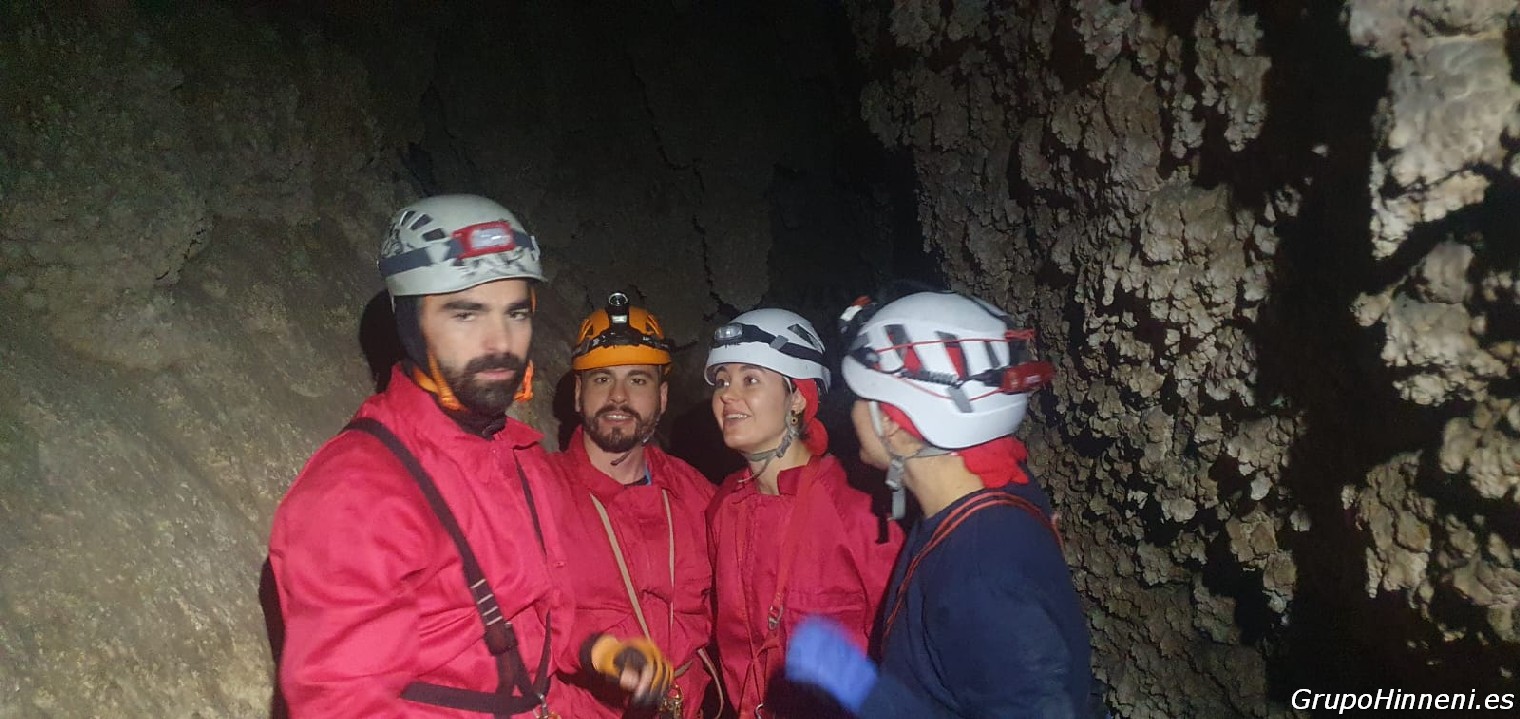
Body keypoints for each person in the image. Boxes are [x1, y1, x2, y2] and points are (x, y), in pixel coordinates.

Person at [268, 194, 671, 718]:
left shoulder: (519, 457)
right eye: (466, 313)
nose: (500, 342)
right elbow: (342, 703)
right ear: (411, 323)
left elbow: (533, 613)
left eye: (516, 313)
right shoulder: (360, 493)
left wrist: (598, 650)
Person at [784, 289, 1096, 717]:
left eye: (860, 398)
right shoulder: (990, 497)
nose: (851, 412)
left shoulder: (982, 572)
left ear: (893, 424)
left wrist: (874, 698)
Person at [703, 308, 904, 719]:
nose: (727, 394)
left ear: (797, 398)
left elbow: (906, 651)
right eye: (722, 380)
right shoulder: (725, 508)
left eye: (750, 379)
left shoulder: (857, 506)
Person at [547, 292, 720, 718]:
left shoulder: (695, 494)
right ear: (578, 394)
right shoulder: (540, 491)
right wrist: (600, 651)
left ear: (662, 396)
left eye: (638, 380)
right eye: (602, 379)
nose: (619, 397)